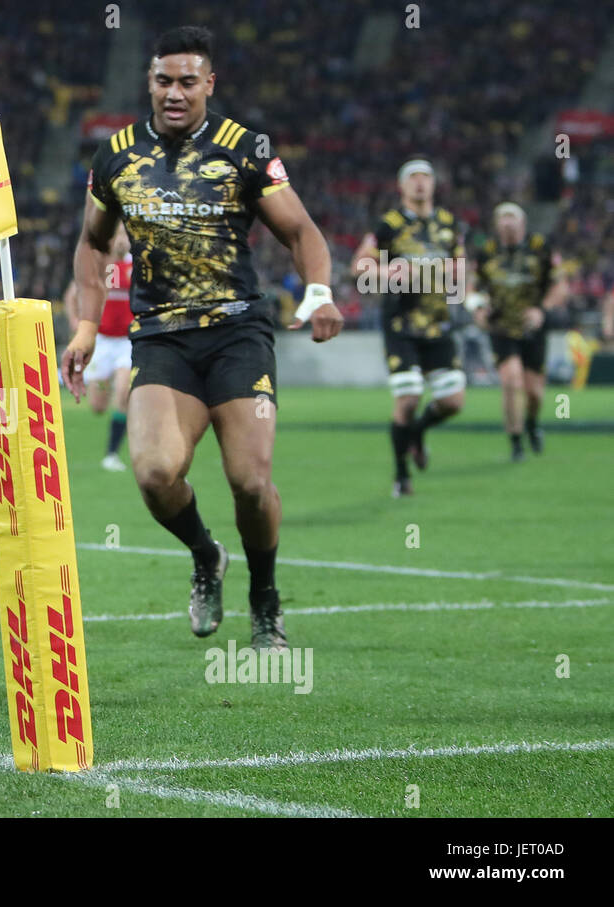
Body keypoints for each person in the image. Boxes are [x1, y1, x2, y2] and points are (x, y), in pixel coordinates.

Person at [59, 26, 342, 651]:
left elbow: (301, 231)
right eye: (165, 80)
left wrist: (319, 292)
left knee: (248, 480)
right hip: (162, 337)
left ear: (209, 84)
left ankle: (264, 597)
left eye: (189, 81)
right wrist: (84, 324)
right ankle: (205, 552)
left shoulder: (245, 149)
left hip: (237, 333)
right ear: (150, 83)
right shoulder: (116, 156)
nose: (176, 92)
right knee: (156, 472)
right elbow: (93, 243)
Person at [351, 158, 467, 497]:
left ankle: (416, 432)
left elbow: (460, 265)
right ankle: (401, 475)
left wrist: (462, 285)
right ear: (402, 187)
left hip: (437, 322)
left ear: (433, 184)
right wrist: (386, 273)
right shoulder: (388, 224)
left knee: (453, 402)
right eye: (413, 177)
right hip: (401, 323)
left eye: (426, 177)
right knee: (409, 396)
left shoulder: (448, 223)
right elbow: (360, 266)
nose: (420, 183)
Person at [469, 203, 567, 460]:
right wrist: (477, 308)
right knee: (510, 381)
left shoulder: (541, 247)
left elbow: (560, 286)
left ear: (522, 222)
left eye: (511, 216)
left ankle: (532, 423)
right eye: (502, 217)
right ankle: (515, 441)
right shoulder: (487, 252)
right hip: (500, 326)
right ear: (496, 224)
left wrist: (542, 309)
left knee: (534, 392)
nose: (507, 221)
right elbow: (472, 287)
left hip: (532, 327)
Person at [63, 223, 133, 471]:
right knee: (97, 406)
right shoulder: (100, 264)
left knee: (124, 392)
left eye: (126, 235)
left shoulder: (137, 265)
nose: (123, 241)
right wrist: (76, 322)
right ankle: (104, 381)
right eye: (119, 236)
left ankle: (112, 454)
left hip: (127, 341)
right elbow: (72, 295)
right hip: (101, 342)